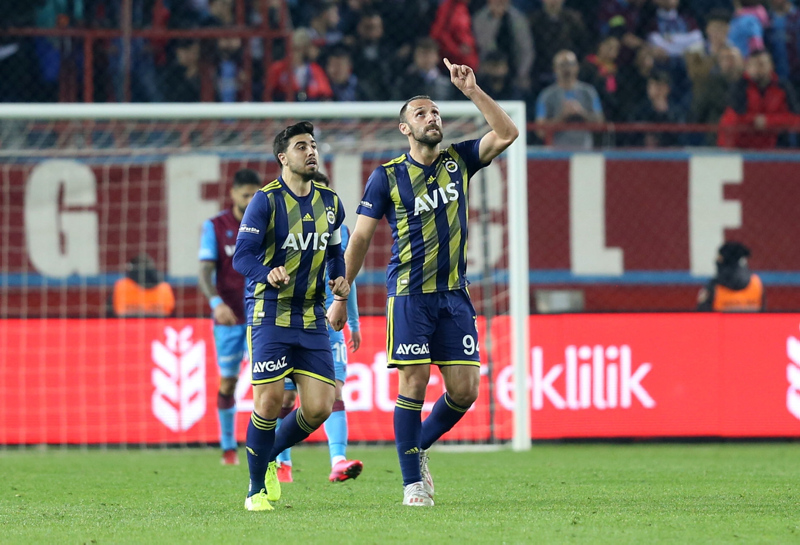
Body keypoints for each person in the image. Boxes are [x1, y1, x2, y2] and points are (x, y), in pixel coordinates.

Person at [328, 58, 519, 507]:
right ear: (405, 129)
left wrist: (472, 91)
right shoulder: (386, 176)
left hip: (454, 295)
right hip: (410, 296)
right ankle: (412, 483)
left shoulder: (459, 160)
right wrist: (341, 293)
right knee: (413, 384)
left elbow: (507, 133)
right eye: (421, 113)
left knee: (465, 391)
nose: (432, 117)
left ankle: (417, 448)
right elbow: (360, 238)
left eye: (435, 112)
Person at [232, 121, 349, 512]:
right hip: (270, 313)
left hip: (312, 316)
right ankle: (255, 490)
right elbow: (242, 255)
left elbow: (335, 252)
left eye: (313, 145)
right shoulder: (265, 201)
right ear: (283, 157)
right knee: (268, 402)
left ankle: (267, 454)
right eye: (301, 146)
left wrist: (338, 278)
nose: (311, 151)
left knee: (319, 406)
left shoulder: (330, 202)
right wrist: (267, 272)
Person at [274, 171, 364, 484]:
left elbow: (347, 279)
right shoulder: (285, 225)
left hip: (327, 323)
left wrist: (353, 322)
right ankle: (281, 461)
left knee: (334, 390)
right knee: (285, 400)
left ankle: (338, 461)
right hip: (289, 319)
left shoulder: (340, 229)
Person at [198, 169, 262, 466]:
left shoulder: (267, 223)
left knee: (266, 384)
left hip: (261, 317)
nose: (250, 200)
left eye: (254, 195)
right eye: (245, 195)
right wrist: (216, 303)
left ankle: (268, 450)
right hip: (228, 318)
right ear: (233, 194)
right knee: (228, 382)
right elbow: (204, 271)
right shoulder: (216, 226)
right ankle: (228, 448)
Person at [718, 49, 800, 149]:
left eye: (762, 64)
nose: (758, 69)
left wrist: (768, 121)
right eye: (754, 65)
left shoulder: (783, 87)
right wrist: (755, 121)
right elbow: (735, 118)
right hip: (743, 148)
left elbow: (795, 118)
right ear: (747, 67)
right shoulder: (739, 87)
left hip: (778, 147)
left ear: (771, 66)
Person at [535, 50, 605, 149]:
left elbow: (600, 125)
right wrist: (562, 116)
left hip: (584, 150)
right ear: (555, 69)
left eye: (570, 64)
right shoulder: (546, 96)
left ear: (577, 67)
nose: (567, 69)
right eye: (562, 65)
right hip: (557, 152)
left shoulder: (589, 92)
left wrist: (581, 113)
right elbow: (540, 131)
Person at [697, 241, 765, 311]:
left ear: (723, 261)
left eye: (719, 258)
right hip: (752, 318)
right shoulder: (756, 283)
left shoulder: (713, 286)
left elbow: (702, 312)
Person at [112, 253, 175, 317]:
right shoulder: (164, 287)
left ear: (131, 268)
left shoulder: (121, 285)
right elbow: (170, 310)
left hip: (128, 322)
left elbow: (112, 310)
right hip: (160, 322)